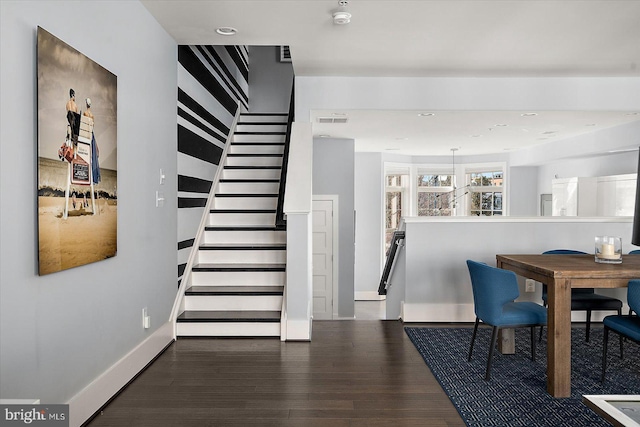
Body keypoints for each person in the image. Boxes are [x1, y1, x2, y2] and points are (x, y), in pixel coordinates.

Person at [83, 98, 101, 184]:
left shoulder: (85, 113)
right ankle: (93, 177)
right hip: (92, 134)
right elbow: (92, 126)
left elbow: (84, 125)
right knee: (92, 156)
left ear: (86, 104)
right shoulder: (92, 115)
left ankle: (86, 176)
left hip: (87, 133)